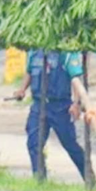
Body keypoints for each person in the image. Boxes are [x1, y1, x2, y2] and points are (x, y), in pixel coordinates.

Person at [13, 50, 86, 180]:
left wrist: (76, 104)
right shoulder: (34, 52)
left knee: (70, 144)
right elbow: (30, 71)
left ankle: (89, 178)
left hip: (60, 106)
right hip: (38, 104)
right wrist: (22, 89)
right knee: (33, 143)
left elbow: (75, 78)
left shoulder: (66, 52)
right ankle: (40, 179)